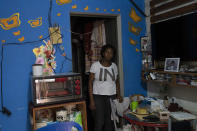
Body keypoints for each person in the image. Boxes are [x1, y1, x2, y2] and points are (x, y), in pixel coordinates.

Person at [88, 44, 122, 131]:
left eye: (111, 53)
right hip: (98, 96)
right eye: (107, 52)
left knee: (110, 121)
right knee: (99, 122)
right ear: (103, 53)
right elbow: (90, 83)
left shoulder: (114, 66)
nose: (109, 54)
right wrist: (91, 101)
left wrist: (118, 94)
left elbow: (117, 82)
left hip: (112, 96)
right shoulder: (95, 65)